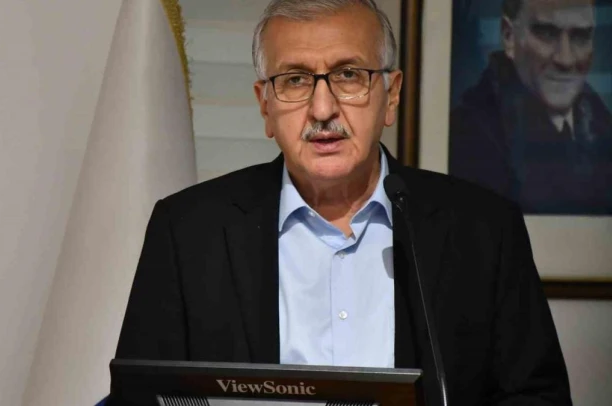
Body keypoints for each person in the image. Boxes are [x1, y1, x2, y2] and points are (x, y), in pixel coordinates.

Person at [115, 1, 571, 405]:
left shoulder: (484, 230)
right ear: (265, 105)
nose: (322, 109)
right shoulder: (188, 233)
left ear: (391, 95)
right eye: (295, 80)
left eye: (348, 75)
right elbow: (140, 398)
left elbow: (536, 396)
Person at [450, 0, 612, 214]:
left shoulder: (603, 127)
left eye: (581, 36)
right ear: (509, 36)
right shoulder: (471, 137)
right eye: (546, 33)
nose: (565, 59)